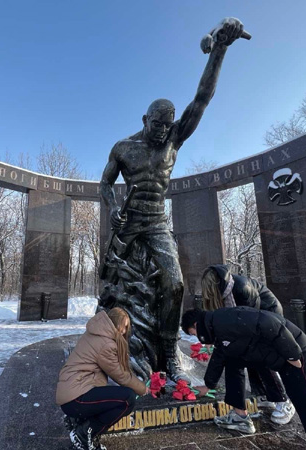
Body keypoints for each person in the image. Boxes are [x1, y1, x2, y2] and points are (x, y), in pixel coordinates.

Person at [99, 18, 247, 382]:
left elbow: (202, 99)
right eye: (156, 125)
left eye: (167, 126)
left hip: (156, 222)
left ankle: (168, 349)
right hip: (129, 221)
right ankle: (111, 341)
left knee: (175, 283)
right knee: (109, 280)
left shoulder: (173, 140)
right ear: (144, 119)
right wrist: (113, 207)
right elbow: (103, 184)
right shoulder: (123, 148)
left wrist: (220, 51)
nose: (162, 131)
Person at [181, 307, 306, 450]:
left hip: (296, 356)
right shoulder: (217, 325)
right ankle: (239, 415)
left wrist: (292, 354)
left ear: (196, 325)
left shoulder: (224, 319)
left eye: (194, 334)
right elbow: (220, 355)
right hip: (281, 358)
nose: (197, 338)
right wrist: (208, 385)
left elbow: (267, 321)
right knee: (232, 361)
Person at [201, 265, 295, 424]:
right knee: (244, 355)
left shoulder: (242, 288)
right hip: (252, 319)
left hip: (268, 316)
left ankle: (284, 401)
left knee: (259, 357)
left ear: (217, 286)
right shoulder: (225, 294)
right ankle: (264, 394)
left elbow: (253, 319)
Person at [56, 308, 148, 450]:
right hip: (76, 397)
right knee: (127, 399)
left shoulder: (95, 333)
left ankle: (79, 421)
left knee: (113, 397)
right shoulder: (106, 343)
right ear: (115, 324)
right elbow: (121, 376)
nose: (124, 332)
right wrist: (143, 388)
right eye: (123, 327)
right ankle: (84, 433)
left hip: (72, 394)